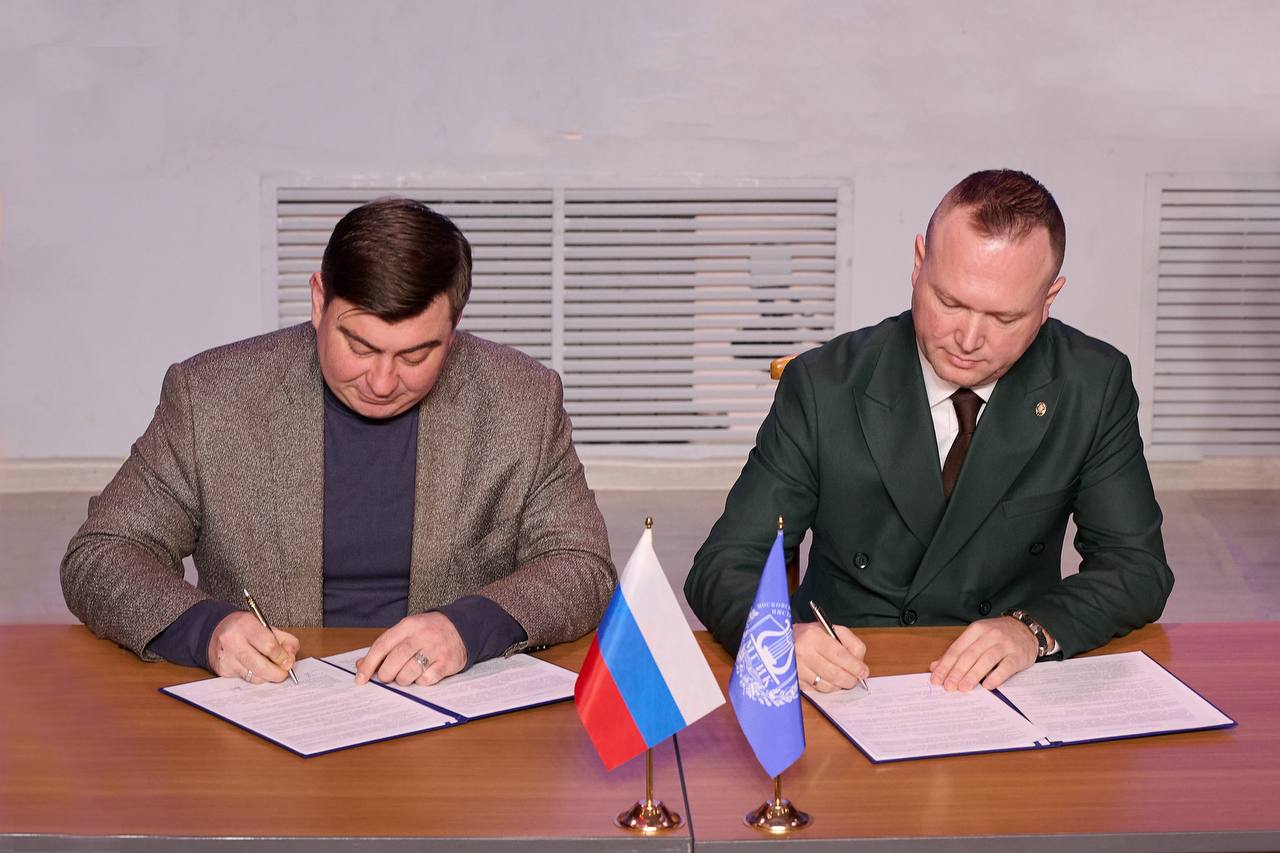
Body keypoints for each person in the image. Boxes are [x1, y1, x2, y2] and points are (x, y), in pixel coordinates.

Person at [62, 198, 615, 688]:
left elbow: (581, 566)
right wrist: (208, 630)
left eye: (416, 355)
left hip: (448, 699)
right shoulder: (211, 396)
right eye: (360, 346)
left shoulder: (523, 398)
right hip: (271, 703)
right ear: (318, 300)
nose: (382, 382)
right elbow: (103, 553)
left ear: (454, 327)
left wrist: (468, 628)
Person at [685, 169, 1173, 694]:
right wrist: (779, 637)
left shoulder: (1091, 385)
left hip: (1004, 681)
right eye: (950, 302)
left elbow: (1136, 568)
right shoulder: (824, 384)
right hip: (849, 673)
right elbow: (724, 564)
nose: (968, 338)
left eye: (1004, 318)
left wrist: (1032, 630)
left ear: (1048, 299)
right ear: (919, 264)